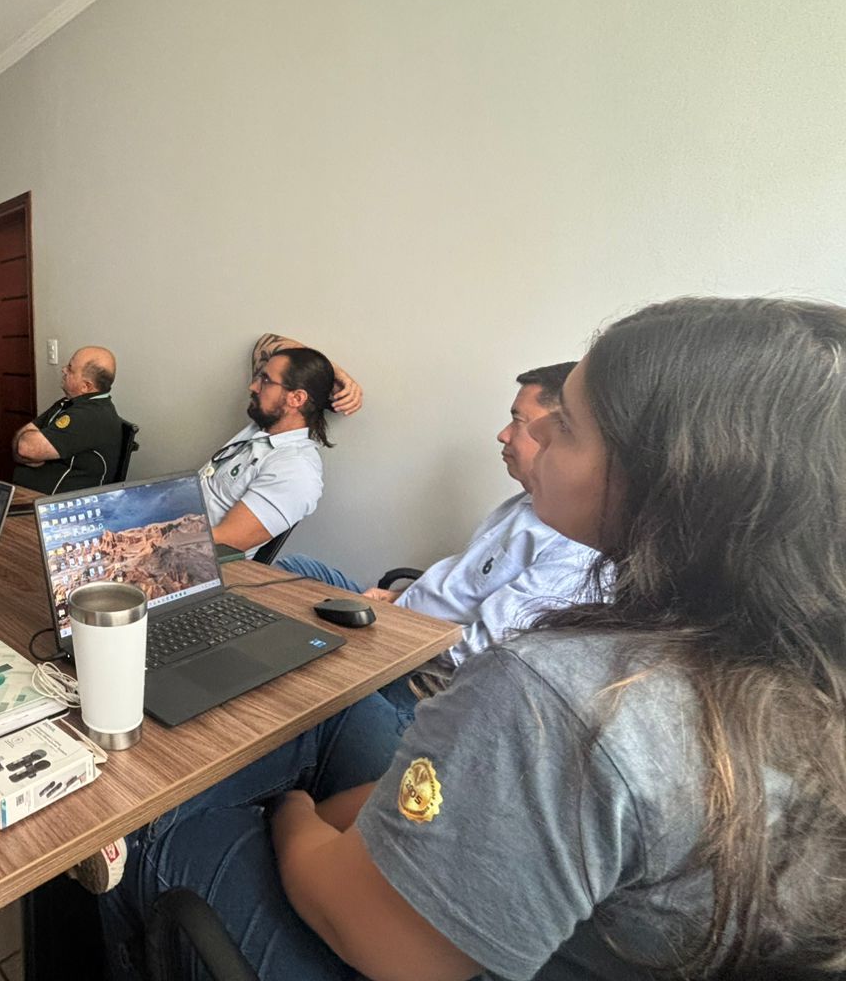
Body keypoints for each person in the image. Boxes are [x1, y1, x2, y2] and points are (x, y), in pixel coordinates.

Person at [98, 297, 846, 979]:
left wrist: (291, 813)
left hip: (394, 943)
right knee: (319, 702)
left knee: (153, 823)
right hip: (480, 864)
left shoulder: (559, 691)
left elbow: (384, 943)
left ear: (669, 474)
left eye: (565, 425)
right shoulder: (787, 664)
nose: (528, 434)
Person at [276, 362, 600, 717]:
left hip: (420, 680)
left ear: (561, 432)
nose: (503, 435)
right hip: (405, 625)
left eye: (518, 421)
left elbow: (484, 650)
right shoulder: (525, 504)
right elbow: (463, 589)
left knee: (303, 689)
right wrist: (398, 598)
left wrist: (385, 629)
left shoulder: (575, 545)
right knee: (293, 570)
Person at [202, 345, 357, 554]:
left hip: (191, 559)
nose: (253, 387)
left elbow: (226, 543)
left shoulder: (295, 470)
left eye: (265, 380)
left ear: (297, 398)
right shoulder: (264, 428)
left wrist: (158, 535)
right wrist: (338, 375)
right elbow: (265, 343)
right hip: (178, 524)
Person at [12, 345, 123, 494]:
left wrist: (25, 447)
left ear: (86, 386)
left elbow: (25, 447)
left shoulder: (89, 416)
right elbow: (21, 446)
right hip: (28, 493)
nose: (64, 370)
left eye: (70, 369)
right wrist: (23, 448)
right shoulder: (69, 403)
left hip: (52, 502)